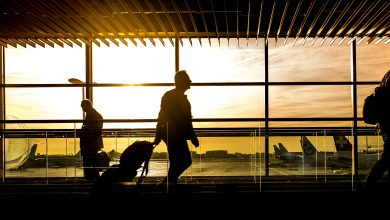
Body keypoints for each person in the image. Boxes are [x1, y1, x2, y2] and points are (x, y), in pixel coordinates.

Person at [153, 70, 199, 186]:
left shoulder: (169, 95)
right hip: (176, 135)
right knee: (185, 161)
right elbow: (186, 121)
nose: (190, 81)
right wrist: (193, 137)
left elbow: (162, 116)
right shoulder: (180, 98)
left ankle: (169, 185)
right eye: (188, 79)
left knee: (176, 163)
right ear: (183, 81)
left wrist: (158, 135)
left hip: (169, 134)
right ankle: (167, 184)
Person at [364, 70, 390, 190]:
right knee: (387, 160)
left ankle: (368, 184)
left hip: (387, 128)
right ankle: (368, 184)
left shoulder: (386, 78)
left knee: (387, 160)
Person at [79, 99, 104, 180]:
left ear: (87, 106)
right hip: (92, 143)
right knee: (92, 163)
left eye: (83, 107)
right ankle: (93, 180)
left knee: (89, 163)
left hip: (90, 144)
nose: (82, 109)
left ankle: (91, 180)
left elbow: (94, 131)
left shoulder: (92, 115)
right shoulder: (95, 115)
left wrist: (86, 140)